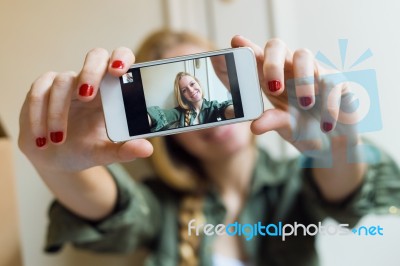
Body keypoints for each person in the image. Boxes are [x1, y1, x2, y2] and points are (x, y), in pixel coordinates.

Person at [18, 29, 400, 266]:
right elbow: (113, 207)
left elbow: (345, 197)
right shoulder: (163, 204)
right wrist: (52, 161)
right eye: (183, 90)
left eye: (195, 83)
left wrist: (338, 146)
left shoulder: (289, 183)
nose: (191, 91)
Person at [147, 71, 234, 132]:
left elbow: (228, 109)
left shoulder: (214, 107)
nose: (191, 90)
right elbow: (158, 115)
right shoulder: (179, 113)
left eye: (192, 84)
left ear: (198, 83)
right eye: (184, 90)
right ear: (182, 96)